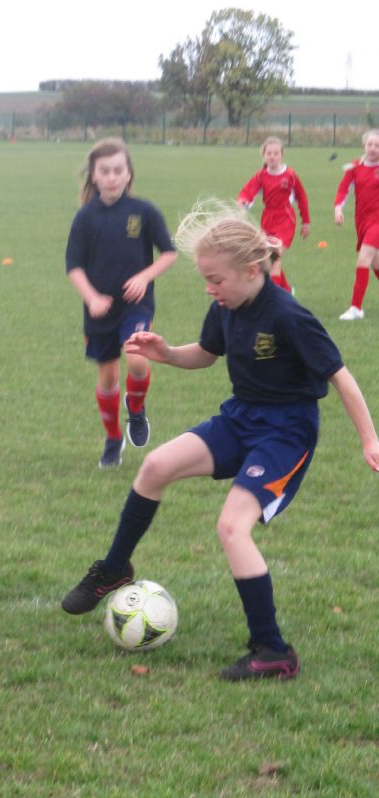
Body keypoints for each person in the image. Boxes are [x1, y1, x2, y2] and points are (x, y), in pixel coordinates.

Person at [61, 201, 379, 681]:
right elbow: (207, 354)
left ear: (251, 271)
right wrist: (167, 352)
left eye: (216, 280)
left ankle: (273, 651)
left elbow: (342, 377)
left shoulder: (289, 316)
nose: (210, 289)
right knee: (155, 467)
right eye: (205, 280)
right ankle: (114, 568)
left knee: (232, 527)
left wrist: (369, 441)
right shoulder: (226, 306)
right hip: (240, 416)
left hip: (286, 433)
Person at [65, 138, 177, 468]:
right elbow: (74, 267)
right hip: (100, 311)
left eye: (118, 170)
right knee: (108, 377)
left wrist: (145, 277)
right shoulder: (85, 218)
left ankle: (136, 409)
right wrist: (92, 298)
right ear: (94, 176)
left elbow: (168, 253)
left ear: (129, 174)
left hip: (135, 306)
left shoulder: (144, 212)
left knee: (138, 358)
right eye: (105, 171)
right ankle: (113, 439)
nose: (112, 177)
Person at [237, 136, 310, 294]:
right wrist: (243, 201)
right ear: (263, 156)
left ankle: (273, 299)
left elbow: (302, 198)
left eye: (276, 153)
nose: (272, 157)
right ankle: (286, 291)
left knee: (275, 258)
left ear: (282, 155)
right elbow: (248, 192)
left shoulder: (290, 175)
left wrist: (306, 222)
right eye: (269, 153)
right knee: (267, 260)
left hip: (285, 219)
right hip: (268, 219)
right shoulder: (261, 176)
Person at [335, 129, 379, 320]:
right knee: (376, 263)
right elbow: (343, 190)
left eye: (377, 145)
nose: (373, 148)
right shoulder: (354, 167)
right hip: (362, 221)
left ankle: (356, 308)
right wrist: (338, 208)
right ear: (364, 146)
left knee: (363, 260)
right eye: (370, 144)